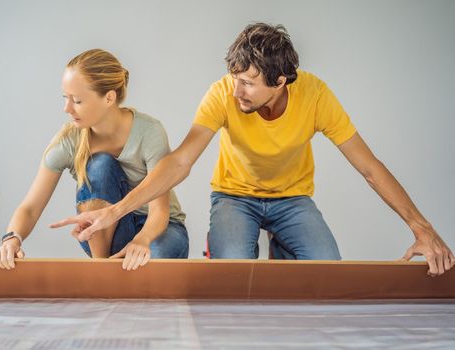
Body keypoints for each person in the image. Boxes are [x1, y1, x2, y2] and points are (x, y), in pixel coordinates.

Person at [51, 24, 454, 276]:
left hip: (293, 200)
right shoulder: (224, 93)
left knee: (328, 272)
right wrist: (116, 210)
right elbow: (180, 161)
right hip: (234, 198)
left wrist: (424, 230)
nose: (236, 90)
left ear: (281, 81)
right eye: (234, 77)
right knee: (230, 277)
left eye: (248, 82)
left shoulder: (315, 96)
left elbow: (369, 167)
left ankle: (283, 251)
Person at [0, 49, 189, 271]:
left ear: (109, 98)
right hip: (106, 234)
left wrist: (141, 241)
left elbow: (159, 212)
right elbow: (30, 207)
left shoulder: (149, 132)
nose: (67, 108)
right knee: (100, 163)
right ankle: (100, 269)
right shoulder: (69, 139)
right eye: (65, 98)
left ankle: (118, 271)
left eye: (77, 100)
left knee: (149, 268)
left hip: (158, 229)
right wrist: (11, 239)